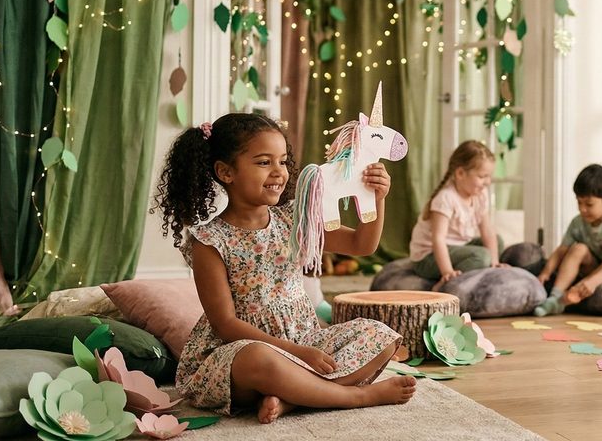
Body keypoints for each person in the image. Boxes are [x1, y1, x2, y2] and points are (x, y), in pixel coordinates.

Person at [153, 113, 415, 424]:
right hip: (243, 353)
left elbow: (361, 245)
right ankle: (354, 396)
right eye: (264, 162)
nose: (279, 172)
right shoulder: (209, 241)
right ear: (226, 172)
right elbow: (225, 324)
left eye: (282, 161)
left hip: (304, 338)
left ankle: (293, 399)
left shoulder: (292, 218)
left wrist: (378, 197)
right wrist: (297, 354)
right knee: (261, 360)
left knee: (379, 335)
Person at [534, 164, 602, 316]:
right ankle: (555, 299)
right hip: (596, 265)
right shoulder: (578, 222)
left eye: (589, 204)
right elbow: (561, 251)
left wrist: (591, 282)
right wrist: (545, 272)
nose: (582, 209)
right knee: (578, 248)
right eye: (579, 202)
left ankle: (580, 289)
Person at [409, 140, 506, 288]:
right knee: (481, 256)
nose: (487, 182)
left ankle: (487, 269)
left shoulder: (480, 195)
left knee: (496, 242)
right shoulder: (446, 198)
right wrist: (447, 271)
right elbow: (438, 240)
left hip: (456, 247)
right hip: (428, 256)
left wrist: (495, 262)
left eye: (489, 176)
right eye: (482, 176)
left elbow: (487, 230)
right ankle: (448, 284)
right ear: (460, 173)